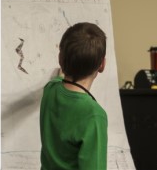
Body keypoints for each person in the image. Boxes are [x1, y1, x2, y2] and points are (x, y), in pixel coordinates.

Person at [39, 23, 108, 169]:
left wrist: (65, 66)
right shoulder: (94, 114)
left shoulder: (50, 90)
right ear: (102, 64)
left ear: (60, 59)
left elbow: (59, 79)